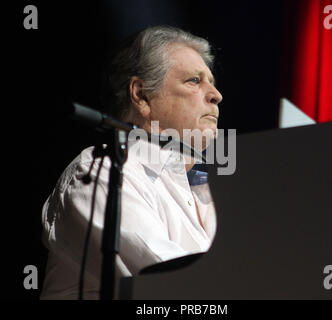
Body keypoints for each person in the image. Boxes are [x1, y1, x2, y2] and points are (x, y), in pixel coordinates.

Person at [40, 25, 223, 300]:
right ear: (141, 95)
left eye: (212, 81)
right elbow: (181, 287)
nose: (216, 95)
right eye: (194, 81)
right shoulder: (102, 172)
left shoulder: (209, 192)